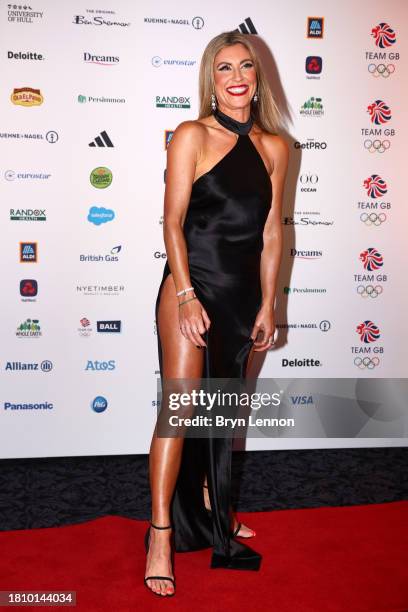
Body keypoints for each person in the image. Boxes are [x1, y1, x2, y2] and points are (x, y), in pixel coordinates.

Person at [144, 30, 288, 597]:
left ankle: (213, 513)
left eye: (245, 66)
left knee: (225, 417)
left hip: (242, 294)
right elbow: (172, 221)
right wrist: (184, 294)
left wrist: (269, 302)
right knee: (181, 413)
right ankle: (160, 535)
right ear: (211, 78)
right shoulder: (191, 135)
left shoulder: (276, 146)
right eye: (224, 67)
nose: (235, 77)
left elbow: (273, 231)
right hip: (191, 285)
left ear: (257, 76)